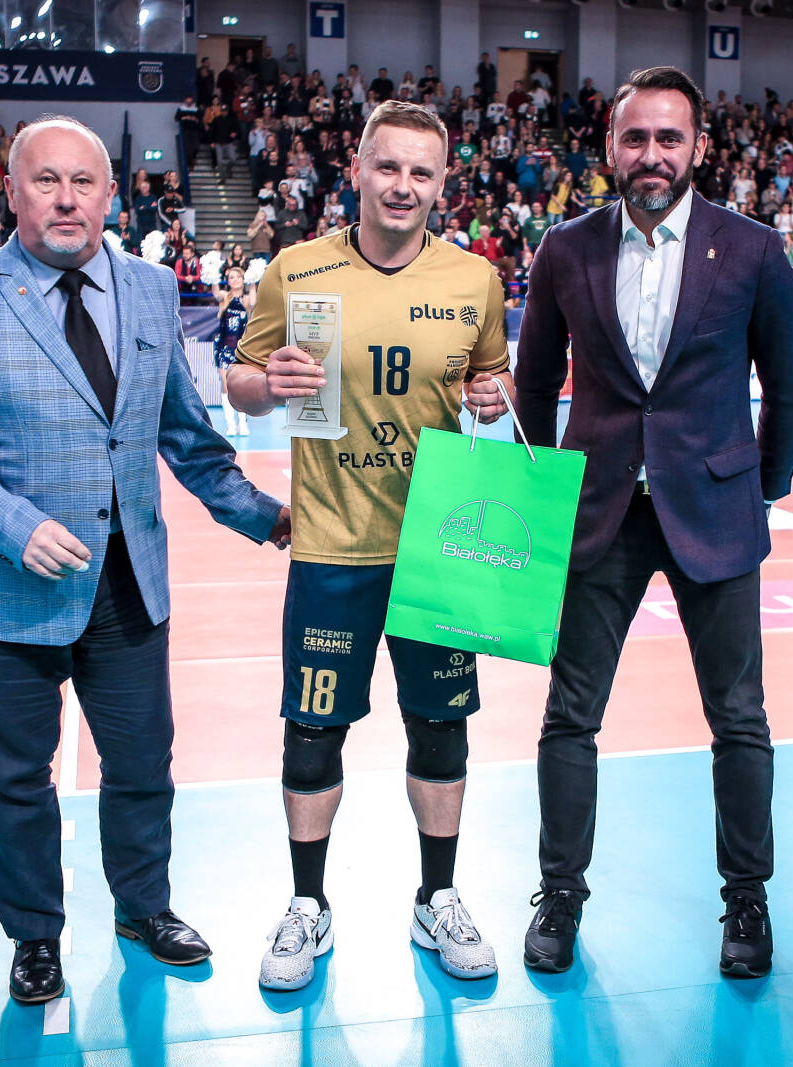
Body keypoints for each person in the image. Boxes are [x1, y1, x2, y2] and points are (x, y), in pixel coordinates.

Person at [0, 115, 290, 1006]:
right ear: (10, 192)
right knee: (17, 780)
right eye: (46, 180)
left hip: (127, 584)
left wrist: (267, 517)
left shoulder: (151, 289)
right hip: (8, 588)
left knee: (144, 765)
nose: (67, 199)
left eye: (84, 182)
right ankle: (35, 935)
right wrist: (12, 525)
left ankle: (143, 907)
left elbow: (185, 436)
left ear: (113, 194)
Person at [513, 66, 793, 979]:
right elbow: (535, 382)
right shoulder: (566, 248)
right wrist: (543, 486)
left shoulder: (752, 248)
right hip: (598, 511)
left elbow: (791, 385)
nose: (652, 154)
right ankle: (559, 893)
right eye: (636, 137)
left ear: (698, 148)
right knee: (570, 716)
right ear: (611, 146)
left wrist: (760, 487)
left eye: (669, 138)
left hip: (715, 512)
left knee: (740, 718)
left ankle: (747, 899)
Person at [226, 100, 512, 992]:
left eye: (422, 171)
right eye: (388, 166)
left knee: (440, 727)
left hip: (435, 548)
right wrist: (267, 383)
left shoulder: (475, 280)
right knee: (312, 732)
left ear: (442, 182)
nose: (403, 186)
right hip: (330, 545)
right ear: (356, 169)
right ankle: (308, 904)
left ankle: (438, 897)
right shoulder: (297, 268)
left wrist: (494, 394)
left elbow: (492, 379)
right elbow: (239, 380)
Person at [212, 264, 252, 437]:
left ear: (243, 280)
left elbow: (254, 301)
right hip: (223, 345)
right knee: (226, 383)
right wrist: (212, 275)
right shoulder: (224, 297)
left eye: (238, 277)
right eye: (231, 277)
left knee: (241, 384)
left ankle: (243, 422)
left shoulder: (247, 299)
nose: (235, 280)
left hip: (242, 347)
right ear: (228, 281)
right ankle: (231, 424)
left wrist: (254, 281)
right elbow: (215, 292)